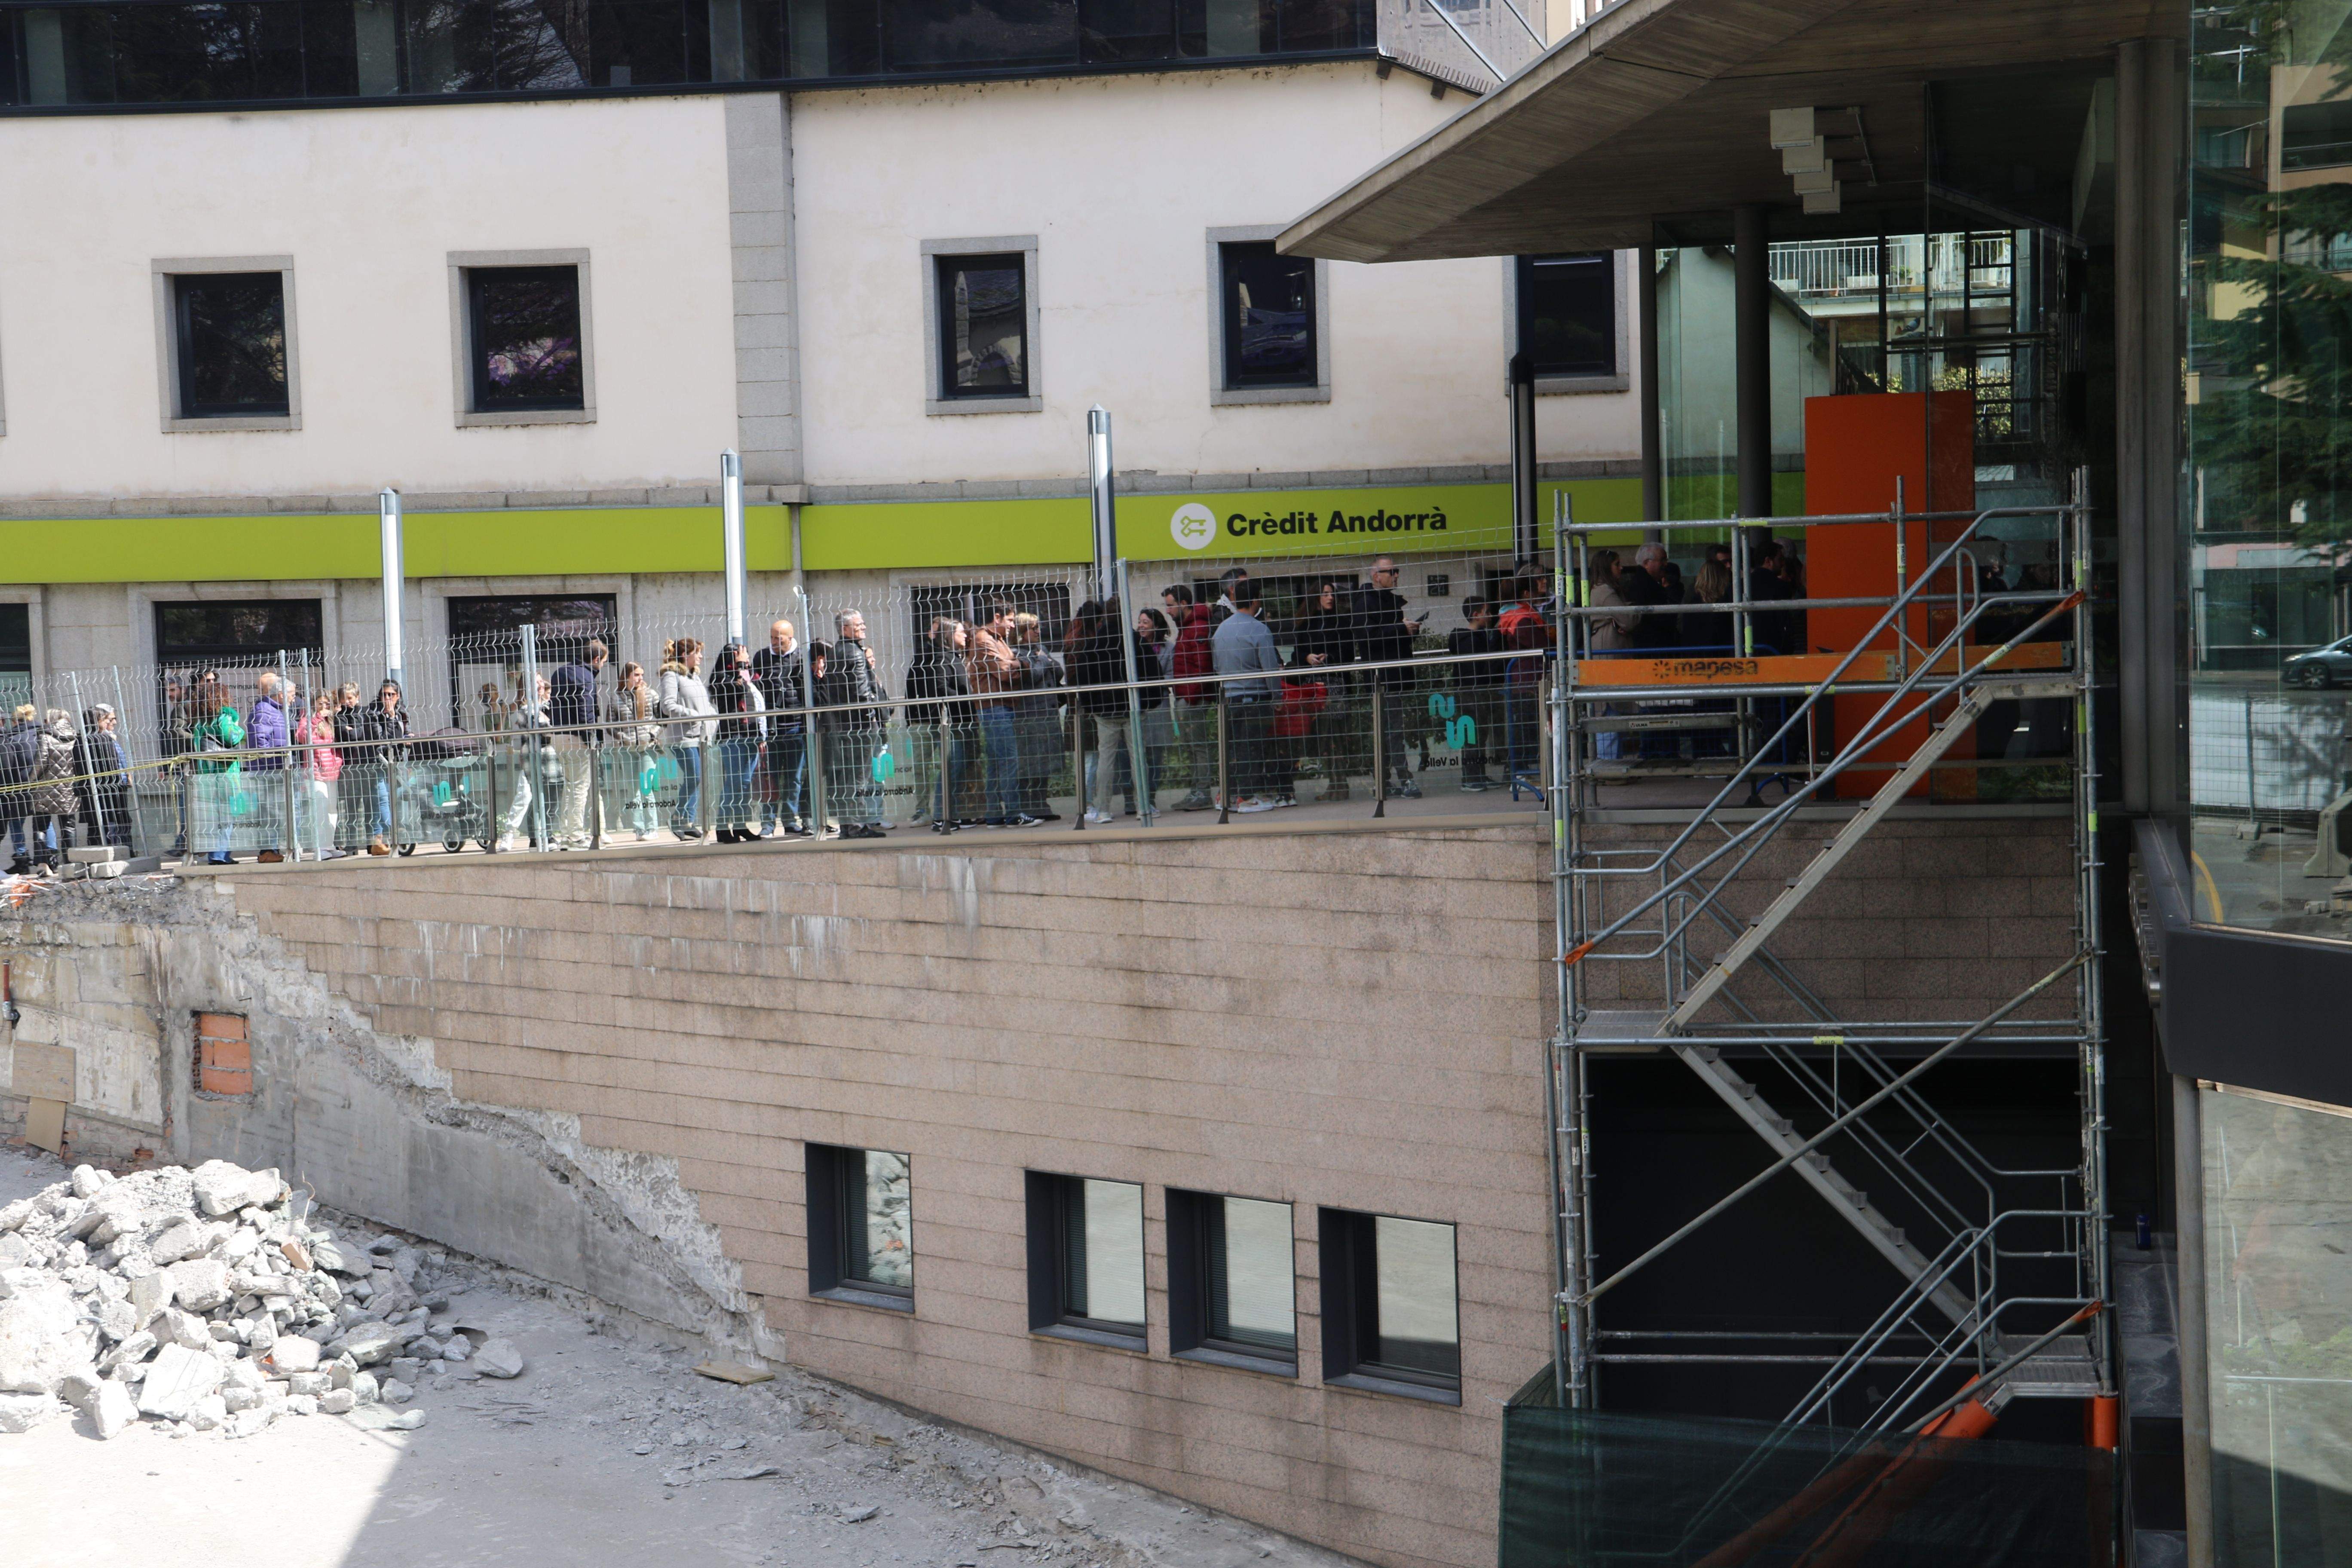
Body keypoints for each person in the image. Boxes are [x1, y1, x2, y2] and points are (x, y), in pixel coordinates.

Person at [1348, 555, 1424, 799]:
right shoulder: (1365, 603)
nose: (1396, 575)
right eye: (1391, 571)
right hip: (1381, 677)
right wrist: (1401, 628)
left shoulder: (1389, 601)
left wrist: (1410, 630)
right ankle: (1402, 779)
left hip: (1395, 673)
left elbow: (1390, 636)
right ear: (1376, 576)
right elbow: (1368, 636)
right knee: (1391, 729)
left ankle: (1385, 780)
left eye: (1397, 570)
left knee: (1391, 729)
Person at [1212, 579, 1283, 812]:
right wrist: (1277, 697)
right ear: (1256, 601)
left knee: (1232, 749)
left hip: (1229, 698)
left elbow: (1216, 666)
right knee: (1252, 748)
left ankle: (1226, 796)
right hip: (1256, 697)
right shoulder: (1259, 629)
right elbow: (1270, 668)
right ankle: (1247, 798)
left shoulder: (1221, 630)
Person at [821, 611, 889, 839]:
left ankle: (847, 827)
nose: (864, 628)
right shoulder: (855, 654)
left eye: (863, 623)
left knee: (847, 778)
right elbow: (862, 693)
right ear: (845, 629)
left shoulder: (834, 653)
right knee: (859, 777)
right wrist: (873, 716)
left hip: (842, 724)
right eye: (859, 625)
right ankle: (857, 827)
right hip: (860, 724)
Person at [965, 601, 1031, 827]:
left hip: (1001, 706)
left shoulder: (999, 639)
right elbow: (1003, 674)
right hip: (994, 708)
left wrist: (1015, 664)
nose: (1013, 625)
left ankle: (994, 815)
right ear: (997, 618)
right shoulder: (984, 639)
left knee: (996, 763)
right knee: (1008, 761)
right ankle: (1013, 815)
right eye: (1010, 620)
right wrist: (1020, 665)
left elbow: (1008, 667)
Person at [1066, 600, 1130, 825]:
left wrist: (1090, 705)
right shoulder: (1089, 641)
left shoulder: (1084, 641)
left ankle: (1098, 807)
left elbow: (1079, 676)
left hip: (1093, 708)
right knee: (1104, 758)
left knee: (1100, 759)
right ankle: (1140, 805)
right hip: (1114, 707)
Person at [906, 617, 972, 835]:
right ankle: (935, 815)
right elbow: (934, 688)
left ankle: (952, 814)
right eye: (961, 632)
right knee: (939, 768)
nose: (966, 635)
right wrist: (911, 718)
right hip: (933, 721)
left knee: (955, 768)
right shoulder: (934, 658)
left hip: (954, 721)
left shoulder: (955, 657)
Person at [1291, 581, 1353, 802]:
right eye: (1325, 594)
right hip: (1313, 687)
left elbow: (1348, 652)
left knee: (1337, 735)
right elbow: (1296, 656)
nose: (1330, 598)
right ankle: (1334, 784)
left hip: (1335, 685)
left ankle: (1341, 785)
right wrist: (1308, 658)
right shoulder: (1305, 624)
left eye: (1332, 594)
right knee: (1324, 738)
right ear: (1316, 597)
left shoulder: (1341, 622)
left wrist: (1331, 657)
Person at [548, 637, 607, 849]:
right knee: (580, 788)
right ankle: (576, 836)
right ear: (596, 659)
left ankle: (566, 833)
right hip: (577, 738)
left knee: (570, 787)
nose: (602, 666)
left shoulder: (560, 672)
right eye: (603, 662)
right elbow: (586, 710)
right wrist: (592, 738)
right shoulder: (587, 677)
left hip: (558, 735)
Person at [707, 641, 768, 844]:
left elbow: (754, 709)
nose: (747, 660)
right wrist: (740, 668)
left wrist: (760, 737)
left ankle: (741, 826)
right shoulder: (722, 678)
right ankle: (723, 827)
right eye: (743, 657)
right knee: (734, 783)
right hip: (732, 737)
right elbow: (735, 693)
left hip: (750, 736)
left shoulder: (748, 678)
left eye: (747, 657)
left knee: (745, 784)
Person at [1163, 585, 1217, 812]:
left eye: (1170, 606)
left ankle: (1202, 793)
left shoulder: (1197, 627)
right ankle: (1197, 791)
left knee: (1199, 746)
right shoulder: (1187, 627)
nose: (1168, 611)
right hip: (1188, 695)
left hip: (1193, 697)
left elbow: (1203, 665)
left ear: (1183, 604)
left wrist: (1191, 696)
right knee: (1193, 746)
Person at [750, 619, 806, 836]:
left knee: (794, 777)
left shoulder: (801, 656)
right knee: (769, 777)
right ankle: (768, 823)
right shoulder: (762, 657)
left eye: (779, 639)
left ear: (790, 638)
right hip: (771, 730)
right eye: (772, 638)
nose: (774, 642)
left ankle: (791, 820)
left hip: (795, 726)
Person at [656, 638, 715, 840]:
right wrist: (694, 714)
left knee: (696, 779)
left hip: (700, 736)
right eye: (697, 652)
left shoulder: (694, 677)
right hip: (682, 737)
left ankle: (688, 821)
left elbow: (704, 705)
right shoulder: (671, 676)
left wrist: (712, 718)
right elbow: (668, 706)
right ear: (685, 655)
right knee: (695, 776)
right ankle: (677, 817)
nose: (700, 656)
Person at [1447, 600, 1507, 791]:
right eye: (1486, 612)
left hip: (1474, 691)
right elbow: (1480, 669)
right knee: (1472, 735)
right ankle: (1472, 777)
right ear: (1476, 615)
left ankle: (1478, 774)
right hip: (1471, 692)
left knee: (1479, 734)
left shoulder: (1476, 637)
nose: (1490, 616)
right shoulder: (1471, 640)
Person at [1009, 610, 1063, 821]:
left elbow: (1057, 672)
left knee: (1046, 762)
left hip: (1048, 714)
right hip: (1029, 717)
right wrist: (1042, 662)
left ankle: (1041, 802)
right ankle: (1027, 804)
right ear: (1023, 632)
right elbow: (1031, 676)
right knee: (1028, 762)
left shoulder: (1041, 650)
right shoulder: (1015, 653)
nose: (1039, 631)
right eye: (1034, 628)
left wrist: (1046, 661)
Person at [494, 675, 555, 854]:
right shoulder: (524, 709)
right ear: (526, 687)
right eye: (535, 682)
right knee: (524, 797)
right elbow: (540, 734)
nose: (540, 685)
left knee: (549, 799)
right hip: (531, 759)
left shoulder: (548, 706)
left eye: (541, 681)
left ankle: (546, 836)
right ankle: (509, 833)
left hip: (550, 758)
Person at [347, 680, 410, 855]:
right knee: (380, 800)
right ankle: (387, 836)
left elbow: (403, 733)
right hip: (377, 762)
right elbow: (381, 739)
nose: (388, 698)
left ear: (398, 697)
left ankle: (383, 839)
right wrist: (390, 718)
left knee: (390, 800)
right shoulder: (373, 713)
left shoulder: (401, 712)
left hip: (394, 763)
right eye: (384, 695)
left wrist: (407, 736)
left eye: (392, 695)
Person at [608, 661, 663, 842]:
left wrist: (651, 733)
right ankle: (639, 829)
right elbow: (610, 725)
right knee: (633, 790)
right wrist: (623, 737)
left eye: (642, 675)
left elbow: (661, 720)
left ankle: (652, 827)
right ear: (627, 676)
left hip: (648, 747)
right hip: (627, 747)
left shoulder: (651, 694)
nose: (641, 678)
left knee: (647, 788)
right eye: (637, 675)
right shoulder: (616, 698)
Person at [245, 671, 292, 862]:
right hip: (269, 771)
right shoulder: (264, 710)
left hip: (278, 770)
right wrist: (273, 761)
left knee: (276, 811)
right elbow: (260, 741)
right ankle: (267, 852)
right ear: (280, 693)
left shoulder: (277, 710)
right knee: (269, 811)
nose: (293, 698)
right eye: (291, 693)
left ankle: (273, 849)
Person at [294, 692, 346, 859]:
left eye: (327, 704)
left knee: (332, 810)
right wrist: (316, 720)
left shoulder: (332, 722)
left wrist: (338, 761)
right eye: (321, 704)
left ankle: (329, 845)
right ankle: (320, 847)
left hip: (332, 770)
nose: (324, 708)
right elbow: (302, 737)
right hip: (316, 772)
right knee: (320, 809)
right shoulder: (308, 720)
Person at [25, 710, 78, 873]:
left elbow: (40, 763)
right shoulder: (76, 738)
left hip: (45, 789)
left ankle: (43, 865)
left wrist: (30, 782)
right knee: (69, 827)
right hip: (70, 788)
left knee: (41, 826)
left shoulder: (46, 737)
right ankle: (71, 864)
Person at [1133, 606, 1172, 814]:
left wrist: (1153, 683)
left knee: (1155, 757)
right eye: (1139, 622)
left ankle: (1151, 799)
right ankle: (1136, 800)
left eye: (1145, 622)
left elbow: (1172, 676)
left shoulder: (1168, 648)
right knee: (1136, 755)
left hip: (1158, 707)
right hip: (1138, 707)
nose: (1140, 626)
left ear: (1156, 626)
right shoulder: (1133, 646)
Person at [77, 704, 132, 850]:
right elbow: (112, 765)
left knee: (100, 823)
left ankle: (105, 850)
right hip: (109, 788)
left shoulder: (82, 739)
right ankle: (119, 849)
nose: (110, 723)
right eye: (106, 720)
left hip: (96, 787)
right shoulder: (101, 739)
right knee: (110, 822)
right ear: (96, 721)